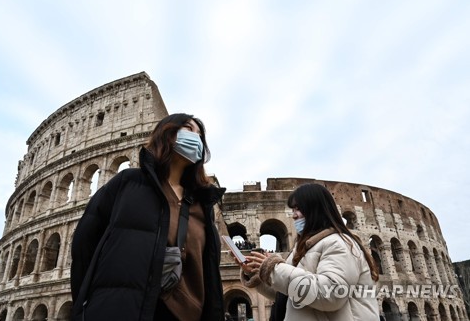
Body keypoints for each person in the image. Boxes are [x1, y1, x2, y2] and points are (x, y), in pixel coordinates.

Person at [70, 113, 226, 321]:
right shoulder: (127, 183)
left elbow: (208, 272)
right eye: (189, 129)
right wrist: (89, 306)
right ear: (167, 132)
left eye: (200, 135)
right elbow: (84, 244)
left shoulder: (202, 204)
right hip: (123, 308)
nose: (195, 138)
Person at [234, 183, 380, 321]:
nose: (293, 215)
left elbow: (331, 294)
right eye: (293, 210)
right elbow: (288, 294)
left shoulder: (339, 244)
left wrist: (274, 269)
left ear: (315, 209)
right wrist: (258, 273)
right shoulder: (304, 248)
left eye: (298, 209)